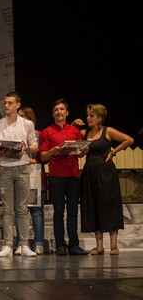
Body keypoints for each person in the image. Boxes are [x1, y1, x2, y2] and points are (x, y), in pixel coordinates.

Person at [76, 104, 134, 255]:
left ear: (100, 118)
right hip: (89, 171)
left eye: (92, 116)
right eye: (87, 115)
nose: (88, 118)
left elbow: (128, 140)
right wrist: (73, 124)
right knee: (92, 205)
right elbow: (77, 151)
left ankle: (113, 246)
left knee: (108, 204)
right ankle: (99, 246)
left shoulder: (107, 131)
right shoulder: (83, 133)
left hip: (106, 172)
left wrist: (113, 151)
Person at [0, 91, 38, 257]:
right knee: (7, 209)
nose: (6, 106)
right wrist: (0, 152)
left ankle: (24, 244)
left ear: (18, 105)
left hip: (22, 167)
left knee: (22, 208)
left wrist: (25, 148)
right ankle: (8, 245)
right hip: (4, 169)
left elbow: (34, 146)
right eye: (5, 103)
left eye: (10, 103)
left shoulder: (27, 124)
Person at [40, 99, 89, 256]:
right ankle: (61, 244)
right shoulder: (47, 131)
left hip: (74, 174)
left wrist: (83, 151)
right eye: (56, 110)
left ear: (67, 113)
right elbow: (42, 156)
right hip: (56, 175)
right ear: (53, 113)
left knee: (73, 211)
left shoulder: (74, 130)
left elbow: (80, 151)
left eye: (61, 109)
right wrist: (53, 151)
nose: (59, 112)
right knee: (58, 211)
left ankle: (74, 244)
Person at [15, 106, 45, 255]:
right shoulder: (14, 134)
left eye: (24, 116)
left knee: (36, 210)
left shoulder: (37, 134)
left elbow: (42, 153)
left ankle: (39, 242)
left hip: (34, 177)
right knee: (20, 209)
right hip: (19, 175)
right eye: (19, 116)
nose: (22, 119)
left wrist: (34, 160)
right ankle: (21, 242)